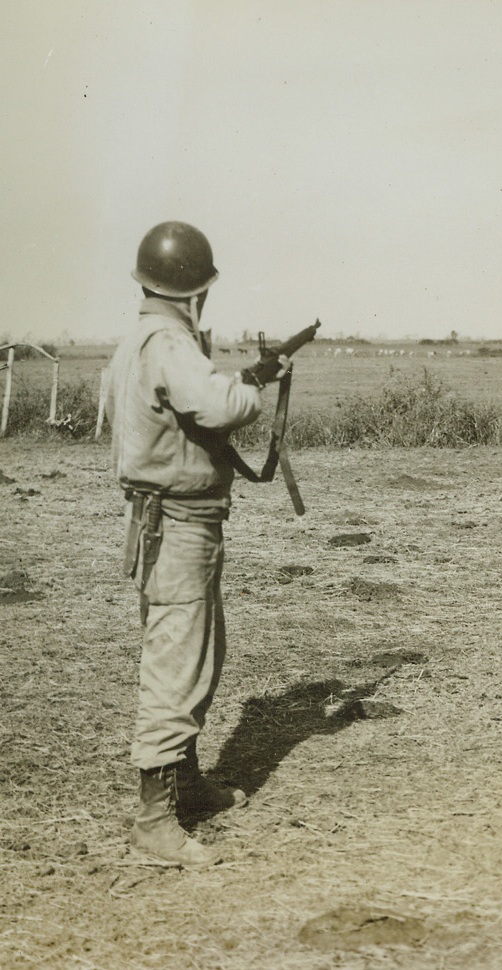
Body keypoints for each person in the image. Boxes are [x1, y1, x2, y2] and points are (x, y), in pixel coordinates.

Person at [106, 221, 288, 867]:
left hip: (168, 520)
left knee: (196, 651)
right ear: (195, 291)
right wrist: (255, 385)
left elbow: (188, 402)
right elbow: (216, 407)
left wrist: (246, 375)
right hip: (179, 522)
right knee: (177, 661)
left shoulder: (142, 339)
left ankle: (184, 786)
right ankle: (154, 824)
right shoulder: (170, 340)